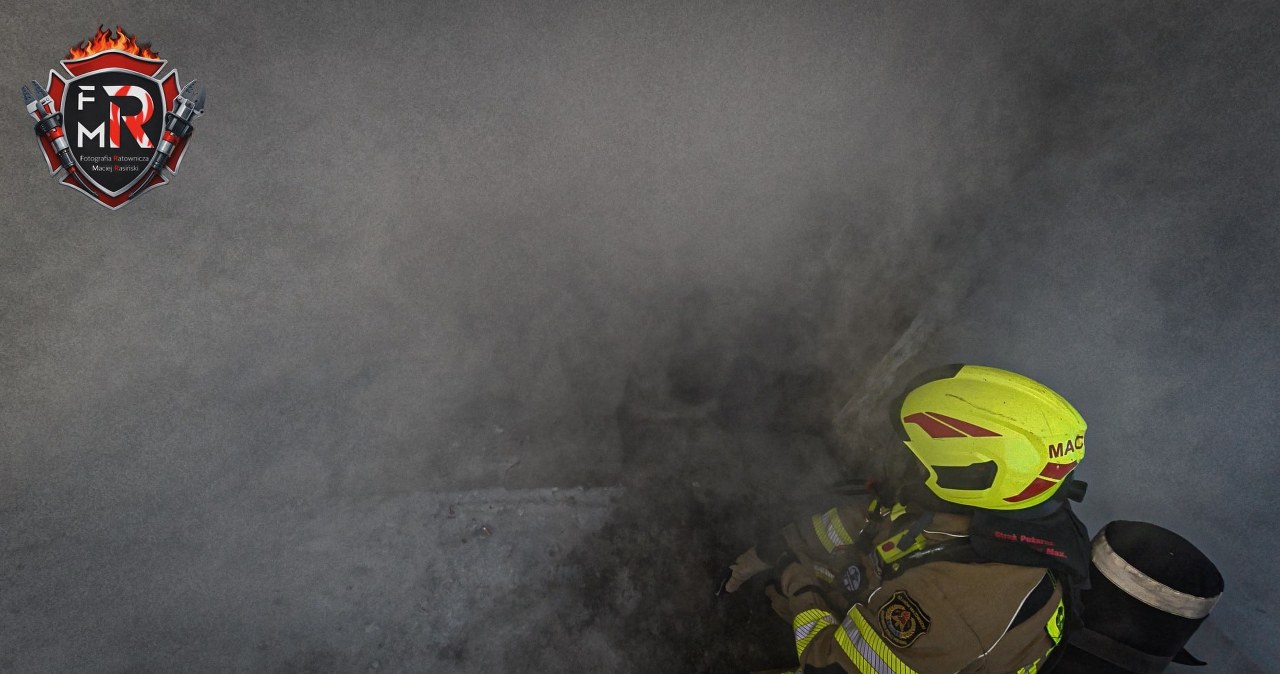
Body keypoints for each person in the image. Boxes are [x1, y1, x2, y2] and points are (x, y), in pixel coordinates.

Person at [721, 364, 1094, 674]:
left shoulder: (949, 608)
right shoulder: (1008, 505)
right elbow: (874, 520)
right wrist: (775, 546)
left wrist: (795, 579)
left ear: (967, 473)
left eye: (917, 460)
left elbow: (829, 666)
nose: (906, 466)